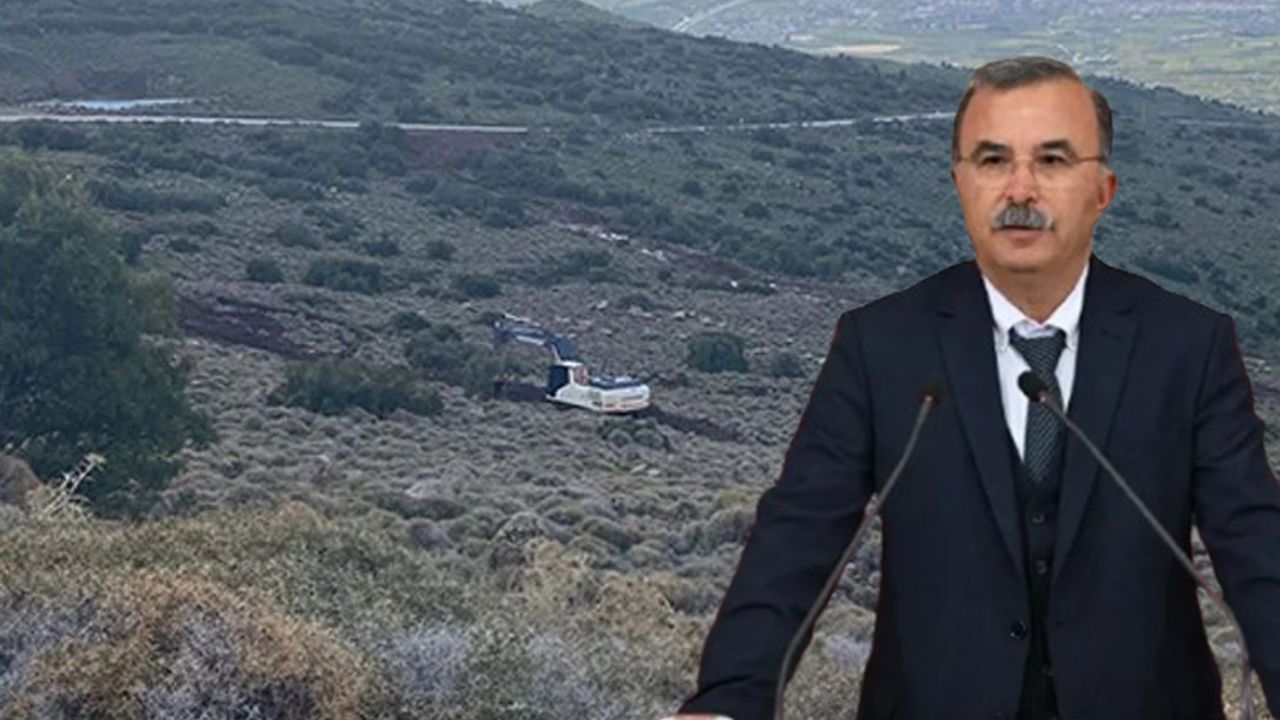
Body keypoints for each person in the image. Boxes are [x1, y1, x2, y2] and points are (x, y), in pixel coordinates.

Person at [668, 56, 1280, 720]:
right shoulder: (880, 344)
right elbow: (798, 537)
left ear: (1103, 189)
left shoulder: (1189, 345)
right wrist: (729, 699)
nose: (1020, 189)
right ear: (959, 181)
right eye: (992, 160)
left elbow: (1256, 547)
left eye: (1052, 160)